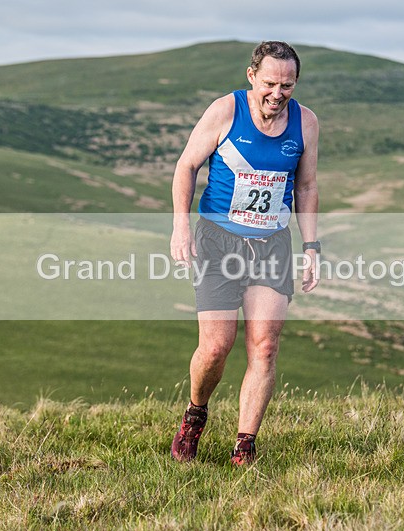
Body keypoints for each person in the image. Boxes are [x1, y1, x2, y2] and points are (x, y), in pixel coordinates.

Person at [169, 41, 320, 466]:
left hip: (272, 244)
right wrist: (181, 225)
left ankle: (245, 445)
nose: (277, 93)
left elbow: (306, 187)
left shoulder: (305, 123)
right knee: (217, 347)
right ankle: (195, 415)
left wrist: (311, 247)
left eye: (287, 85)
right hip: (219, 241)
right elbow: (186, 166)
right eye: (270, 83)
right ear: (251, 76)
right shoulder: (226, 111)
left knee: (265, 347)